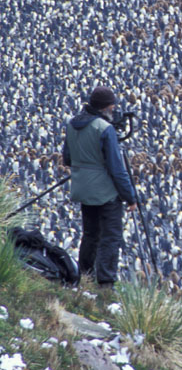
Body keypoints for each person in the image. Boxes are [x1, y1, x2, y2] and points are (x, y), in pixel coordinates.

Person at [63, 86, 136, 287]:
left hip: (82, 189)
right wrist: (130, 197)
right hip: (105, 192)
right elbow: (117, 169)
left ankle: (84, 277)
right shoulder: (104, 129)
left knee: (90, 234)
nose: (114, 109)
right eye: (112, 105)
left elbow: (67, 158)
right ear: (106, 107)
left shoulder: (72, 124)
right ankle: (106, 283)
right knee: (111, 237)